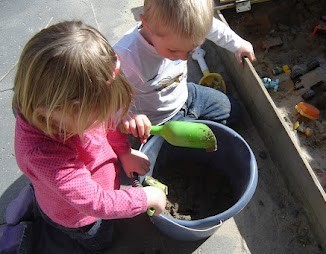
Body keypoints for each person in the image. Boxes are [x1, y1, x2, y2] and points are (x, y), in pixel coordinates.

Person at [12, 20, 166, 253]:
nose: (103, 121)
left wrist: (123, 152)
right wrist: (144, 198)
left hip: (87, 188)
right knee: (100, 238)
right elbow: (96, 203)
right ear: (50, 112)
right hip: (79, 217)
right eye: (96, 117)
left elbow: (108, 122)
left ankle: (39, 200)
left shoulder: (68, 114)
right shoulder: (45, 155)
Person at [114, 0, 256, 141]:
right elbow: (106, 100)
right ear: (147, 25)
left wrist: (238, 45)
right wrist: (128, 117)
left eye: (191, 49)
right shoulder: (125, 57)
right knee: (182, 152)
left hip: (187, 97)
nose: (183, 58)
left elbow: (214, 27)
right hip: (157, 123)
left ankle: (193, 123)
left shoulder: (188, 27)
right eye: (174, 50)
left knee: (234, 112)